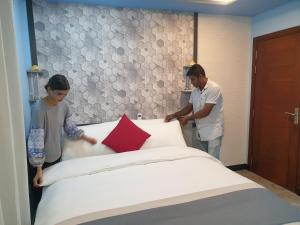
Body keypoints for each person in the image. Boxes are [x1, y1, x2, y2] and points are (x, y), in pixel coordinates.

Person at [27, 74, 97, 187]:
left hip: (57, 155)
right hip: (41, 162)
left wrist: (86, 138)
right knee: (40, 193)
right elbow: (36, 139)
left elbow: (69, 127)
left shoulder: (64, 105)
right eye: (59, 94)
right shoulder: (38, 109)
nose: (62, 97)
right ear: (49, 89)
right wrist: (38, 169)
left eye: (65, 94)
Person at [165, 64, 224, 159]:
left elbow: (205, 111)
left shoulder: (214, 88)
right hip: (200, 131)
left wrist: (188, 118)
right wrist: (173, 115)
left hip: (213, 132)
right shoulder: (195, 91)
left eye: (193, 79)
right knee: (201, 160)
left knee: (213, 162)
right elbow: (188, 108)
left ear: (200, 76)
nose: (192, 83)